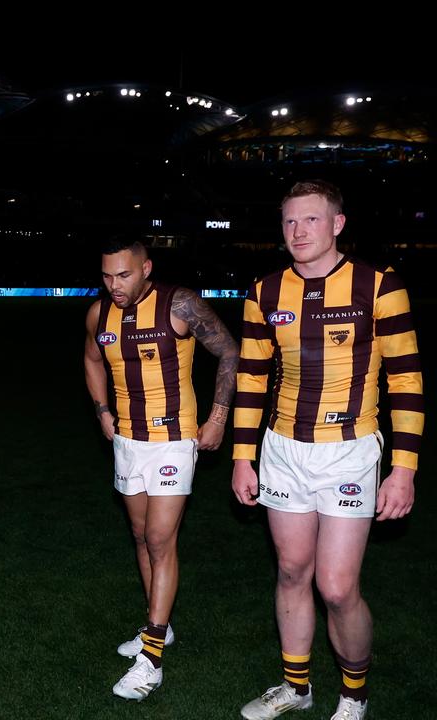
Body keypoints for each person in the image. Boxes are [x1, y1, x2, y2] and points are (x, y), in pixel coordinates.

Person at [232, 181, 423, 720]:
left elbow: (407, 380)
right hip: (283, 449)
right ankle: (297, 686)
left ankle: (354, 692)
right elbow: (250, 377)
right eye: (290, 222)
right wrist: (242, 456)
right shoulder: (264, 291)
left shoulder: (379, 285)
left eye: (311, 220)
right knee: (292, 571)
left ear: (338, 224)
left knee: (337, 587)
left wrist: (403, 469)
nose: (298, 232)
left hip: (349, 451)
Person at [82, 236, 238, 700]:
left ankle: (150, 659)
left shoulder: (180, 304)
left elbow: (230, 352)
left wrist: (217, 418)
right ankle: (160, 624)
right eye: (107, 276)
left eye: (124, 275)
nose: (115, 285)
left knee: (159, 538)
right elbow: (91, 360)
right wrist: (101, 411)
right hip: (128, 440)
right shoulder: (99, 314)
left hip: (173, 441)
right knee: (138, 535)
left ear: (146, 268)